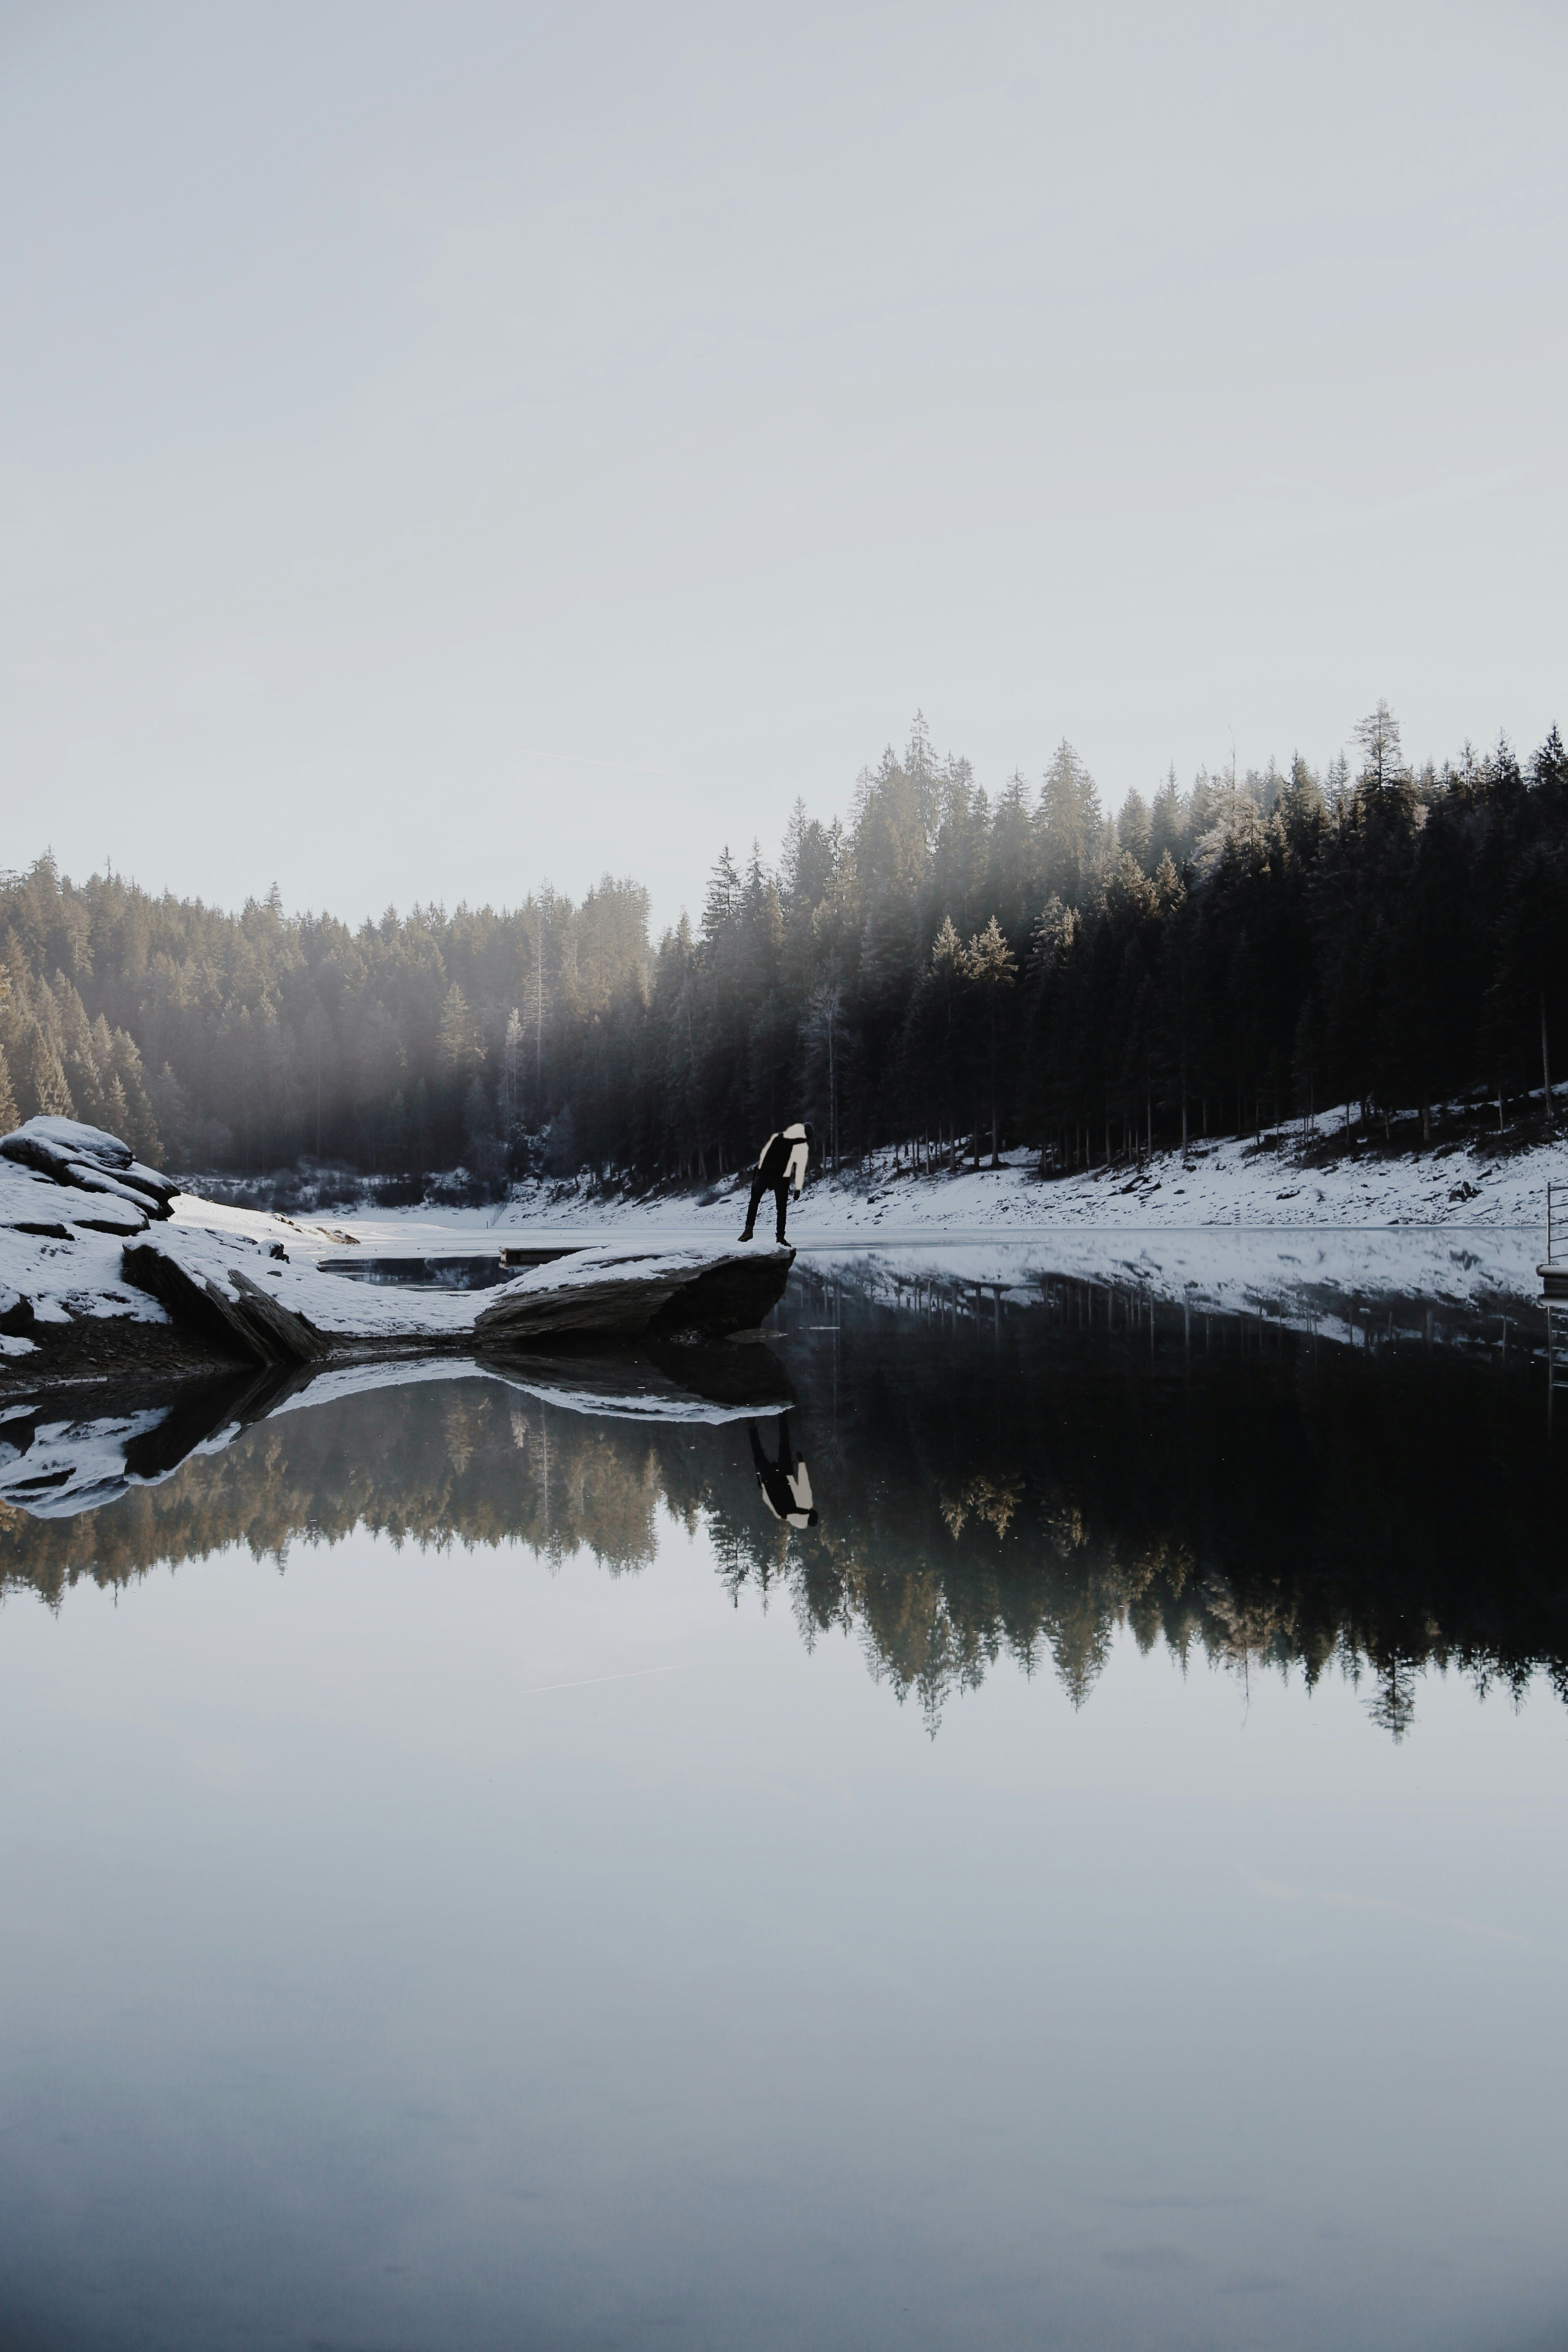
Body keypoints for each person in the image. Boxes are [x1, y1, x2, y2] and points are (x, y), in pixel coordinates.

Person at [739, 1120, 813, 1243]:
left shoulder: (780, 1136)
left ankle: (748, 1230)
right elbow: (799, 1169)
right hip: (780, 1178)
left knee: (754, 1201)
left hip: (764, 1174)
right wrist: (798, 1190)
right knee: (782, 1209)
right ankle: (780, 1238)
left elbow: (766, 1155)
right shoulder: (800, 1146)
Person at [749, 1416, 817, 1528]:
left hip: (781, 1477)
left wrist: (801, 1461)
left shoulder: (804, 1505)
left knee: (784, 1445)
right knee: (760, 1454)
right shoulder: (789, 1516)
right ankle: (752, 1425)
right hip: (773, 1481)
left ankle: (782, 1416)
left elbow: (803, 1482)